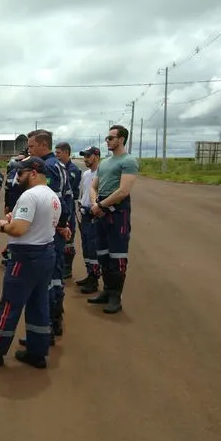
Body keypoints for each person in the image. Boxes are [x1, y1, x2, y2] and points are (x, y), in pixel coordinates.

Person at [0, 157, 62, 369]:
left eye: (21, 173)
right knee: (39, 304)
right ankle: (37, 352)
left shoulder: (30, 195)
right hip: (46, 253)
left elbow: (19, 230)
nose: (17, 177)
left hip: (26, 257)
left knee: (10, 304)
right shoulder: (52, 196)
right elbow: (38, 223)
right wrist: (15, 219)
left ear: (34, 173)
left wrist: (2, 225)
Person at [18, 130, 70, 345]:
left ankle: (46, 328)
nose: (29, 151)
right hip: (57, 224)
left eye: (31, 146)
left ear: (42, 145)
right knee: (55, 276)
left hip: (50, 229)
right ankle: (53, 323)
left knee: (47, 281)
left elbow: (52, 201)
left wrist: (58, 224)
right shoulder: (57, 164)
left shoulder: (47, 166)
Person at [88, 125, 138, 314]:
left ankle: (116, 297)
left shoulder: (129, 161)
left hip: (117, 212)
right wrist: (95, 204)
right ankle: (106, 291)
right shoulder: (105, 163)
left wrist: (101, 206)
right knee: (102, 252)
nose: (107, 141)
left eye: (111, 138)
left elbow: (123, 191)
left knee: (117, 255)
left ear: (122, 139)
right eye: (107, 138)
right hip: (100, 209)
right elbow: (94, 187)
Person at [74, 146, 102, 294]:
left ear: (96, 156)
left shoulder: (102, 173)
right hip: (84, 212)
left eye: (88, 156)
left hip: (94, 214)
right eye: (84, 156)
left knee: (93, 246)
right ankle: (89, 274)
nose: (85, 159)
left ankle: (95, 278)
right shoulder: (85, 174)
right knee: (85, 245)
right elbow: (83, 192)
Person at [55, 141, 80, 279]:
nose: (56, 155)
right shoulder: (60, 168)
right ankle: (62, 265)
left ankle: (67, 268)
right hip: (60, 207)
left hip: (68, 207)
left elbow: (67, 189)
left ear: (66, 152)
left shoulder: (72, 170)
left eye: (58, 153)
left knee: (68, 240)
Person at [1, 150, 27, 264]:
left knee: (20, 232)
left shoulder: (27, 176)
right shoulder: (11, 173)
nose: (18, 162)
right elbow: (7, 190)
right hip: (12, 206)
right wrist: (6, 205)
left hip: (24, 208)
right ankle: (10, 256)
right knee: (11, 234)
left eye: (21, 160)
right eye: (17, 160)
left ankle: (16, 257)